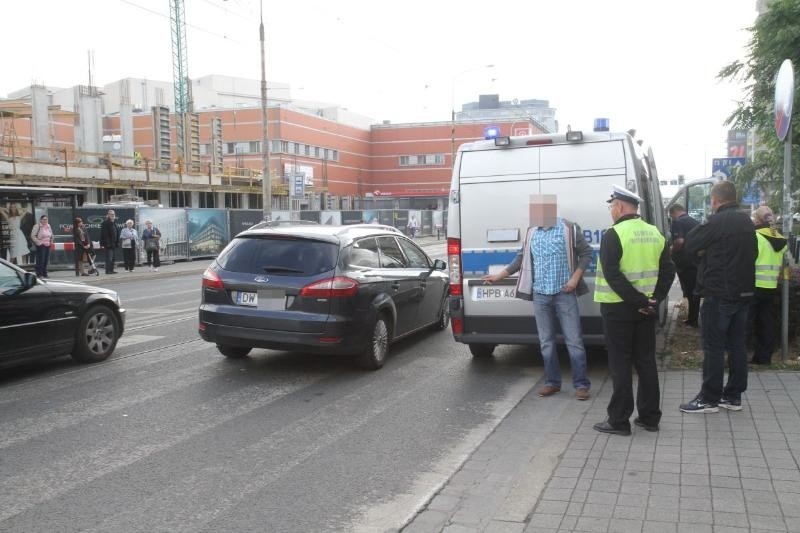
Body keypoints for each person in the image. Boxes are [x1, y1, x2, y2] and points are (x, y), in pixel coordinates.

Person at [482, 194, 592, 400]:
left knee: (574, 341)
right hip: (540, 294)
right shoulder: (532, 233)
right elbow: (520, 259)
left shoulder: (569, 229)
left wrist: (575, 279)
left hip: (565, 293)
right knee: (546, 342)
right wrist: (498, 276)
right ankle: (552, 382)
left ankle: (581, 384)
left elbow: (586, 254)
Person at [593, 185, 674, 435]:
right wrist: (652, 300)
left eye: (611, 206)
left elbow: (613, 275)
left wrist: (638, 301)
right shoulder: (655, 233)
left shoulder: (613, 234)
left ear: (619, 206)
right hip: (646, 310)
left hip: (619, 310)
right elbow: (669, 271)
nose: (610, 211)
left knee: (620, 364)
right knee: (646, 362)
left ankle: (618, 421)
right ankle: (650, 418)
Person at [680, 181, 757, 413]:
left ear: (716, 200)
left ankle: (709, 398)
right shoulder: (747, 221)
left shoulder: (717, 221)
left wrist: (704, 256)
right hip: (743, 293)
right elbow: (752, 252)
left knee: (713, 346)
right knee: (737, 345)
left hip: (719, 293)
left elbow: (690, 243)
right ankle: (733, 396)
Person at [748, 206, 787, 365]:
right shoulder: (780, 238)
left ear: (757, 219)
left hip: (753, 284)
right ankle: (763, 358)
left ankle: (738, 358)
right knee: (766, 322)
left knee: (746, 323)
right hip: (770, 286)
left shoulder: (755, 237)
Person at [668, 204, 701, 327]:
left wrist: (671, 250)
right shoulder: (695, 222)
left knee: (689, 290)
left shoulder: (678, 222)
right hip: (695, 261)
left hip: (684, 262)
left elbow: (679, 241)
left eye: (671, 216)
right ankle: (693, 317)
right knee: (694, 290)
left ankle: (692, 320)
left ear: (674, 213)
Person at [30, 214, 54, 278]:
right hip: (41, 245)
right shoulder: (37, 226)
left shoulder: (48, 226)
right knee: (40, 260)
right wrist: (39, 243)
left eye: (46, 219)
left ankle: (44, 273)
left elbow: (51, 234)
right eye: (44, 219)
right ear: (40, 220)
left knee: (46, 260)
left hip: (48, 245)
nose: (45, 220)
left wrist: (51, 241)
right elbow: (33, 236)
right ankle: (39, 274)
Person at [100, 210, 119, 274]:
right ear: (108, 215)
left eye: (113, 214)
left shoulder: (113, 222)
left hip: (113, 243)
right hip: (108, 244)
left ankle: (111, 270)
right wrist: (107, 243)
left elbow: (115, 232)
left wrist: (116, 242)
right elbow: (105, 234)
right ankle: (108, 270)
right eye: (111, 214)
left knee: (113, 258)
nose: (112, 216)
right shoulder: (106, 223)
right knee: (109, 258)